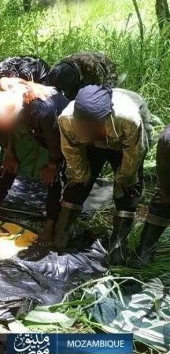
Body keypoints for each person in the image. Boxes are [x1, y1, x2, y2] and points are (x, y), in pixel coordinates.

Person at [56, 85, 153, 264]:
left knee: (128, 189)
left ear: (103, 120)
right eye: (81, 126)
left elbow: (135, 153)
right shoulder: (66, 119)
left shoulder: (128, 119)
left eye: (89, 127)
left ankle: (119, 242)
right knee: (78, 183)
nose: (84, 129)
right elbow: (72, 151)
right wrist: (81, 176)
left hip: (125, 141)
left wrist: (124, 178)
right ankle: (63, 230)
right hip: (93, 144)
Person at [0, 78, 70, 243]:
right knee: (8, 167)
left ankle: (50, 225)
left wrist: (52, 165)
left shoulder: (43, 109)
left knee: (54, 179)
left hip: (51, 136)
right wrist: (9, 154)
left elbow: (54, 141)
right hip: (23, 134)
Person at [129, 124, 170, 268]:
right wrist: (167, 192)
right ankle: (145, 251)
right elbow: (165, 171)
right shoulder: (167, 140)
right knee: (163, 202)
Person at [47, 52, 118, 100]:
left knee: (106, 96)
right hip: (80, 72)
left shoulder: (92, 66)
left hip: (107, 68)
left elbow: (103, 86)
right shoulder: (55, 71)